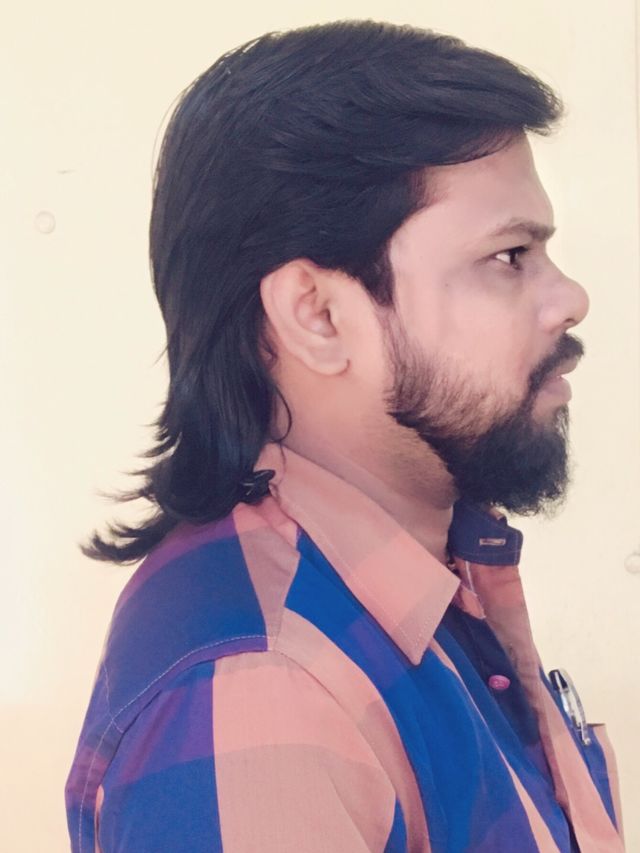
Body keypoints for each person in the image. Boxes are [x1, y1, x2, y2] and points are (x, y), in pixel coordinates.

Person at [64, 19, 625, 852]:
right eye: (509, 256)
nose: (570, 298)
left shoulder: (430, 577)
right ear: (318, 316)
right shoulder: (265, 693)